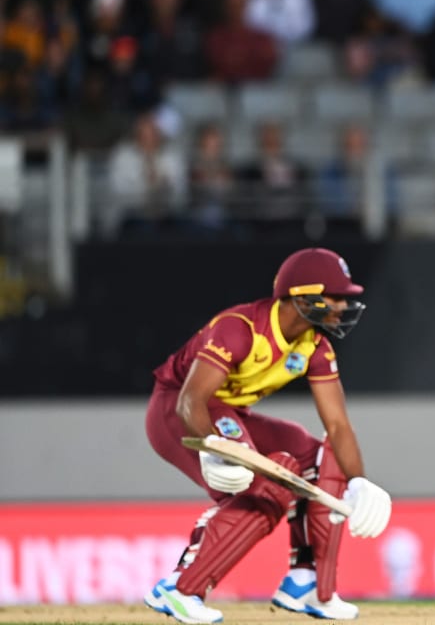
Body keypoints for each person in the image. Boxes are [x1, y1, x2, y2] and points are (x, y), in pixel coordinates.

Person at [143, 248, 392, 624]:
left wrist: (358, 481)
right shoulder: (240, 328)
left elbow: (339, 426)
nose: (343, 305)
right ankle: (181, 589)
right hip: (176, 412)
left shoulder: (315, 346)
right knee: (264, 486)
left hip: (227, 413)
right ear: (302, 294)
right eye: (335, 296)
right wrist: (214, 449)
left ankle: (307, 583)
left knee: (319, 457)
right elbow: (190, 400)